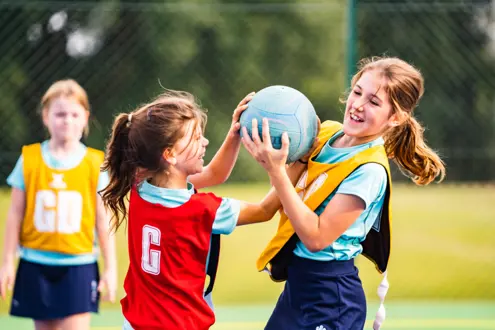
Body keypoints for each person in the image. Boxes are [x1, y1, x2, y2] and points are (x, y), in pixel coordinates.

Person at [242, 56, 446, 330]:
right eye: (357, 92)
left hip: (331, 297)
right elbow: (267, 208)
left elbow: (315, 237)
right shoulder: (323, 134)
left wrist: (277, 171)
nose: (358, 105)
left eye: (374, 102)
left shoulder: (369, 170)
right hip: (297, 289)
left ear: (395, 118)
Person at [100, 90, 313, 330]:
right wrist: (290, 167)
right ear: (169, 154)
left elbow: (214, 174)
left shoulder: (140, 190)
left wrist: (234, 134)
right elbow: (264, 210)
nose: (205, 142)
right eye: (196, 138)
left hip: (136, 324)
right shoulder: (203, 211)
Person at [0, 79, 118, 330]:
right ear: (46, 116)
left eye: (74, 114)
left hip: (78, 265)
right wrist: (7, 262)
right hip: (35, 263)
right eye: (60, 114)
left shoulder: (94, 163)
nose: (67, 120)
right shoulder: (29, 158)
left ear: (85, 117)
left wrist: (110, 268)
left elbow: (101, 219)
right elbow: (15, 215)